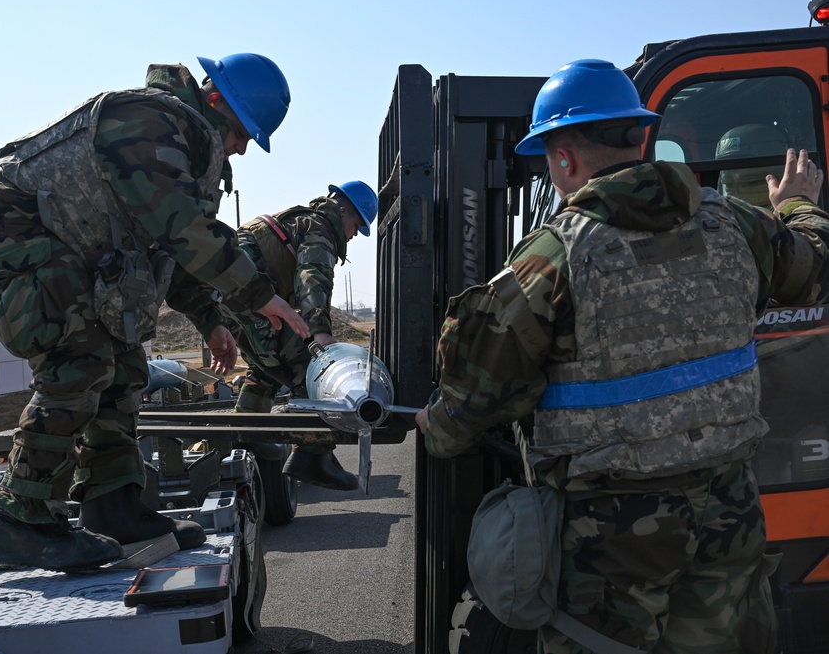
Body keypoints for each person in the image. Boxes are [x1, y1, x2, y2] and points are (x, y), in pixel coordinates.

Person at [415, 59, 829, 653]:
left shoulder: (552, 257)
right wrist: (795, 205)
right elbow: (815, 269)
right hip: (730, 509)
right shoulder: (736, 224)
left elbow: (475, 399)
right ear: (642, 137)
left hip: (612, 536)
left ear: (562, 158)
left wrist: (437, 426)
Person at [0, 53, 310, 572]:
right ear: (215, 102)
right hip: (19, 229)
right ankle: (22, 519)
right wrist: (258, 294)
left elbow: (176, 251)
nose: (240, 148)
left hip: (69, 243)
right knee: (80, 360)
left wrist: (211, 321)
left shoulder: (185, 146)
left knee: (124, 365)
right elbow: (180, 226)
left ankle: (113, 505)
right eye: (241, 134)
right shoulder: (149, 120)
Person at [201, 181, 377, 490]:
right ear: (344, 210)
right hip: (250, 297)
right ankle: (311, 454)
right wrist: (321, 335)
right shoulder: (320, 229)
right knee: (309, 369)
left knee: (267, 367)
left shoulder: (299, 221)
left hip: (229, 298)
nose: (352, 235)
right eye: (356, 226)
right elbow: (312, 279)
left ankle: (248, 432)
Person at [715, 123, 792, 209]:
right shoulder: (726, 219)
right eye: (724, 169)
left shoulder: (790, 217)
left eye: (736, 166)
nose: (725, 180)